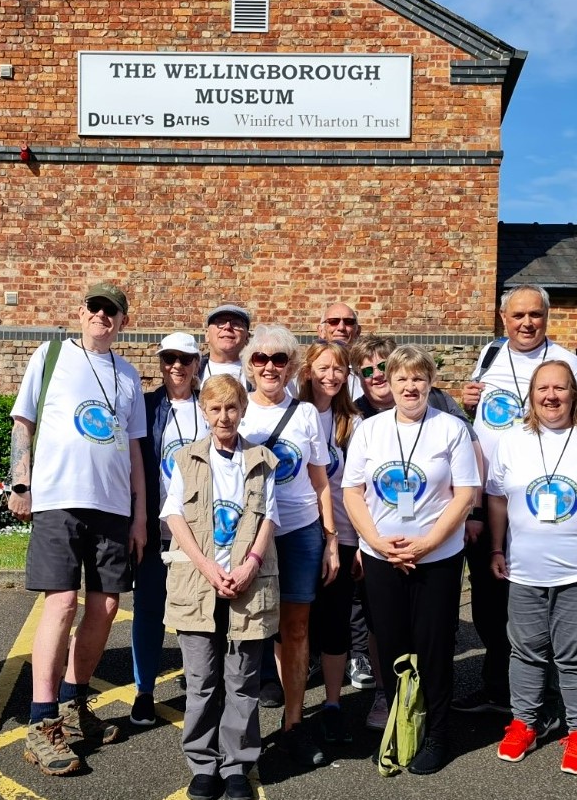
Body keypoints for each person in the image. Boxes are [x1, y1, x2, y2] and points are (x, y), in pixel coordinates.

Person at [457, 285, 577, 714]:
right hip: (493, 498)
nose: (526, 323)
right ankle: (502, 689)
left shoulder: (569, 363)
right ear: (503, 317)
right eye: (518, 316)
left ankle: (550, 697)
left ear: (546, 317)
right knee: (490, 604)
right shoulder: (490, 356)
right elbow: (482, 424)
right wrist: (467, 401)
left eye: (535, 314)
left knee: (553, 606)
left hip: (551, 501)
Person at [7, 282, 148, 777]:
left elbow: (134, 451)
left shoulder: (128, 374)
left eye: (112, 312)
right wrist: (18, 483)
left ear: (123, 322)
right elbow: (23, 422)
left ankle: (73, 704)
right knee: (62, 603)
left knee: (106, 606)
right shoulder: (49, 356)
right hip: (59, 499)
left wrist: (139, 517)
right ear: (81, 312)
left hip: (111, 506)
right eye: (95, 308)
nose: (102, 317)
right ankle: (41, 721)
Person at [486, 360, 577, 775]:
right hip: (523, 570)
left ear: (574, 394)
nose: (551, 396)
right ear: (531, 396)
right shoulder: (512, 441)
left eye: (560, 388)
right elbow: (496, 497)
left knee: (575, 656)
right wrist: (496, 548)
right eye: (543, 389)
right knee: (526, 652)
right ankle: (523, 723)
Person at [344, 344, 480, 775]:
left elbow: (465, 494)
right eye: (401, 378)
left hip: (436, 557)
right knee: (392, 646)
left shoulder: (451, 429)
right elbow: (353, 492)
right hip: (383, 555)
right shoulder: (371, 429)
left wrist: (426, 544)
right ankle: (402, 726)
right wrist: (379, 543)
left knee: (434, 647)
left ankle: (437, 734)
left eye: (418, 378)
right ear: (391, 381)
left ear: (431, 382)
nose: (409, 386)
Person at [162, 375, 280, 800]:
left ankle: (236, 766)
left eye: (231, 408)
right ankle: (203, 764)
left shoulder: (262, 460)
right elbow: (174, 517)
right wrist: (208, 567)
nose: (224, 416)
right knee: (202, 681)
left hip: (248, 584)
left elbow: (268, 517)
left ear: (242, 410)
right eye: (215, 409)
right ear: (204, 412)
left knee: (242, 682)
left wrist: (249, 564)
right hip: (198, 583)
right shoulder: (186, 459)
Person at [237, 324, 336, 767]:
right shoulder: (237, 412)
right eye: (261, 359)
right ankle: (242, 727)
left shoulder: (306, 415)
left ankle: (293, 724)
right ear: (249, 365)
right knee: (249, 628)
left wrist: (331, 539)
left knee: (296, 629)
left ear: (293, 366)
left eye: (279, 359)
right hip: (248, 532)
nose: (270, 366)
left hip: (300, 530)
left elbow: (320, 480)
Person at [130, 332, 209, 727]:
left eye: (184, 359)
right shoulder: (144, 408)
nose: (176, 366)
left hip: (199, 533)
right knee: (148, 611)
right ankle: (144, 691)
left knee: (197, 615)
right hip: (154, 528)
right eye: (168, 359)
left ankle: (201, 688)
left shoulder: (209, 408)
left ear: (197, 364)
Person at [298, 342, 361, 745]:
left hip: (344, 532)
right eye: (323, 368)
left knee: (336, 620)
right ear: (308, 371)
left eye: (339, 369)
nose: (331, 376)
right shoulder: (295, 414)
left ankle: (334, 703)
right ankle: (294, 700)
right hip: (300, 531)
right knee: (296, 622)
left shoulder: (352, 422)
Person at [316, 302, 363, 400]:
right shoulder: (308, 372)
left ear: (358, 331)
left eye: (348, 321)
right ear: (321, 331)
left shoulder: (368, 371)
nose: (341, 327)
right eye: (333, 321)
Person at [199, 304, 251, 387]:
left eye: (236, 323)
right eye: (220, 322)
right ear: (207, 335)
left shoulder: (259, 374)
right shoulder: (191, 372)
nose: (227, 327)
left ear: (247, 337)